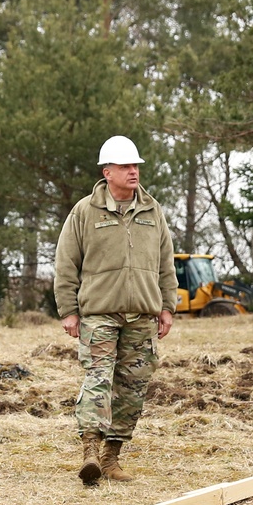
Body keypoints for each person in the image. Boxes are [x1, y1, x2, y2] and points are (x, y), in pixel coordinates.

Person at [54, 135, 177, 484]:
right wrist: (68, 310)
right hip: (99, 315)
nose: (133, 171)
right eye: (125, 166)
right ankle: (90, 451)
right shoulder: (84, 211)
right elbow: (66, 263)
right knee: (98, 381)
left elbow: (165, 264)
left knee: (133, 387)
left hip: (143, 316)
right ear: (107, 172)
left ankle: (111, 457)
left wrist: (168, 307)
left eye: (136, 165)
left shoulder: (153, 212)